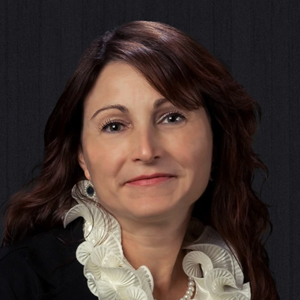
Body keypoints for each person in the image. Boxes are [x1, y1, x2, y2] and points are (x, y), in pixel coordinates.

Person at [0, 21, 278, 300]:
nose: (146, 151)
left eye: (172, 117)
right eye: (114, 126)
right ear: (82, 157)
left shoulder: (242, 280)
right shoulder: (19, 281)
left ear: (215, 139)